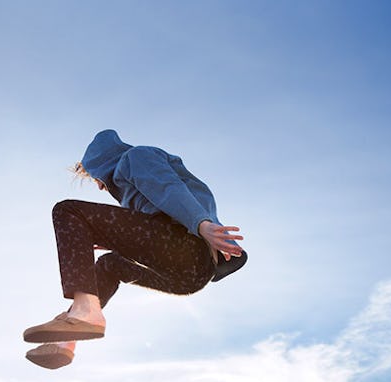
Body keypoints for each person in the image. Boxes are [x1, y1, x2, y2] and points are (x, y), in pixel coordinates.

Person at [23, 129, 247, 369]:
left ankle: (83, 310)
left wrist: (201, 224)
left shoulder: (136, 157)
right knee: (109, 264)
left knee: (68, 211)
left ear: (103, 163)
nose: (100, 186)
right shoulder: (132, 186)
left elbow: (168, 188)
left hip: (185, 244)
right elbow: (155, 218)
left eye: (96, 177)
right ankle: (67, 341)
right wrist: (114, 239)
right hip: (191, 277)